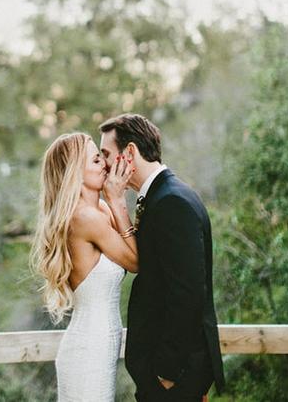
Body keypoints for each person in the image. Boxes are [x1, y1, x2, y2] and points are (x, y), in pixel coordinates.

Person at [99, 114, 225, 402]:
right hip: (170, 371)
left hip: (175, 374)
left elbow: (188, 292)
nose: (104, 164)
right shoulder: (164, 195)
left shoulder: (171, 202)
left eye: (106, 154)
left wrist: (167, 371)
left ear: (129, 152)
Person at [31, 132, 139, 402]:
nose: (105, 164)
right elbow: (136, 261)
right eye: (95, 160)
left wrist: (112, 203)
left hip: (101, 345)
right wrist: (117, 201)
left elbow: (131, 243)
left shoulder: (99, 210)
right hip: (88, 349)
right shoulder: (85, 217)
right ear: (74, 174)